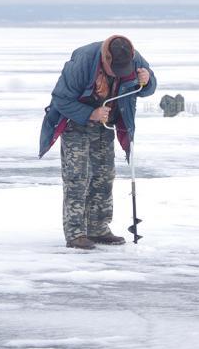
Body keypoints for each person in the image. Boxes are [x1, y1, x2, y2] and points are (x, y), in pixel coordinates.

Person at [39, 35, 157, 249]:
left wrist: (147, 80)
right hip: (76, 121)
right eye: (115, 69)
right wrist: (91, 113)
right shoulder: (83, 61)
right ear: (105, 58)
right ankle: (75, 233)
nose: (118, 74)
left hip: (106, 124)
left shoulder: (134, 58)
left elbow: (146, 89)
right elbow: (61, 98)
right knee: (77, 176)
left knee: (104, 175)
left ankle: (98, 228)